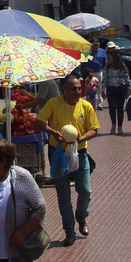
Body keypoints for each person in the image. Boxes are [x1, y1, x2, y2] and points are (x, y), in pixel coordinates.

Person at [34, 75, 99, 246]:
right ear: (64, 89)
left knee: (85, 190)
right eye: (73, 88)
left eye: (79, 88)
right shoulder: (54, 103)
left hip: (80, 153)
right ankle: (69, 231)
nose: (77, 92)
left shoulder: (86, 106)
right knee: (63, 195)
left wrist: (82, 137)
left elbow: (94, 130)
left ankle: (82, 217)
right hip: (59, 155)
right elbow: (39, 122)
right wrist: (53, 132)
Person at [103, 44, 131, 135]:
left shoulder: (121, 65)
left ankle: (120, 127)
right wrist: (103, 90)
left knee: (120, 108)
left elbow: (126, 76)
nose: (108, 59)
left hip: (121, 88)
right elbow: (104, 78)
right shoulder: (107, 66)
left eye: (110, 58)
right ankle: (113, 125)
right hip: (111, 88)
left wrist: (129, 87)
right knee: (112, 107)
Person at [85, 39, 106, 110]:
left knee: (98, 87)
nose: (96, 47)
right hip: (89, 72)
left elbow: (105, 61)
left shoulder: (102, 51)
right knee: (88, 87)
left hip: (98, 71)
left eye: (97, 45)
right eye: (94, 45)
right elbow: (83, 62)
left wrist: (103, 70)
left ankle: (99, 104)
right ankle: (89, 102)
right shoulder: (88, 51)